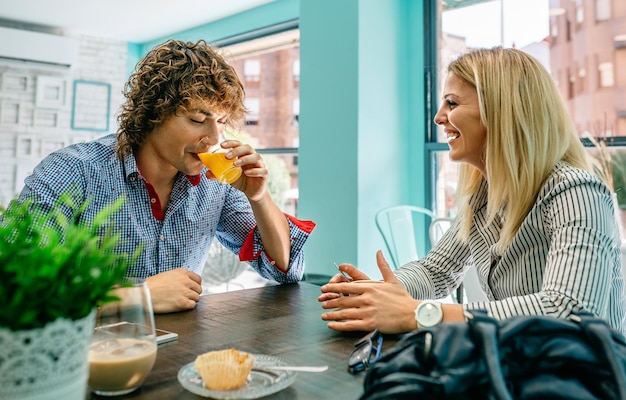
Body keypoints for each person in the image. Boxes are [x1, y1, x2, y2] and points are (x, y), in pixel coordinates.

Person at [318, 47, 626, 335]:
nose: (439, 118)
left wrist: (420, 314)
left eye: (451, 103)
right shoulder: (482, 196)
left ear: (501, 112)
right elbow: (435, 271)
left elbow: (568, 311)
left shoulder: (576, 192)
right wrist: (376, 291)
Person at [18, 39, 315, 313]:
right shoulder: (72, 171)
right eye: (197, 119)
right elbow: (18, 287)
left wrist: (258, 196)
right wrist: (139, 295)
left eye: (221, 121)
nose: (214, 138)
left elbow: (284, 269)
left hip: (183, 358)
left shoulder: (215, 186)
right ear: (152, 115)